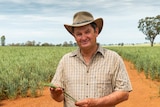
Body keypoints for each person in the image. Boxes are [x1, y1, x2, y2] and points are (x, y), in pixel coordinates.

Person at [50, 11, 132, 107]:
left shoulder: (113, 58)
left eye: (87, 32)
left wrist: (97, 103)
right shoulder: (66, 60)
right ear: (74, 36)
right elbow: (59, 98)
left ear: (96, 31)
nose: (84, 37)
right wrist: (56, 94)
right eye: (79, 34)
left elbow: (124, 93)